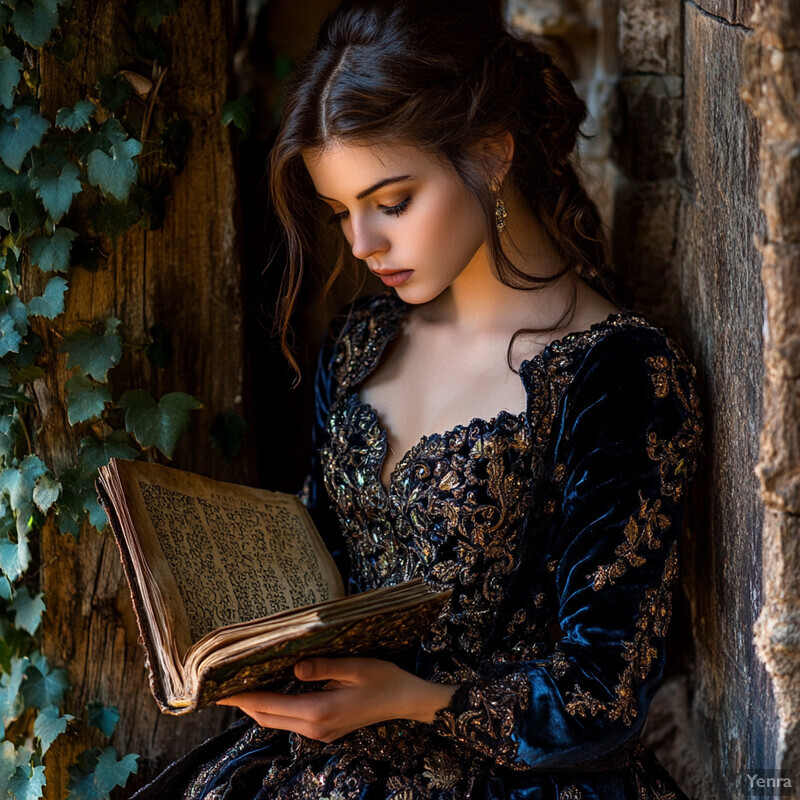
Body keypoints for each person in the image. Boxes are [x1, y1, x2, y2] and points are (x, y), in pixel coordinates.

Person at [133, 1, 704, 798]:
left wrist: (413, 700)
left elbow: (604, 695)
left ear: (491, 155)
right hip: (315, 763)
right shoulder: (364, 339)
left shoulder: (618, 375)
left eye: (391, 201)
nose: (363, 244)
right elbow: (318, 568)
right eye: (341, 213)